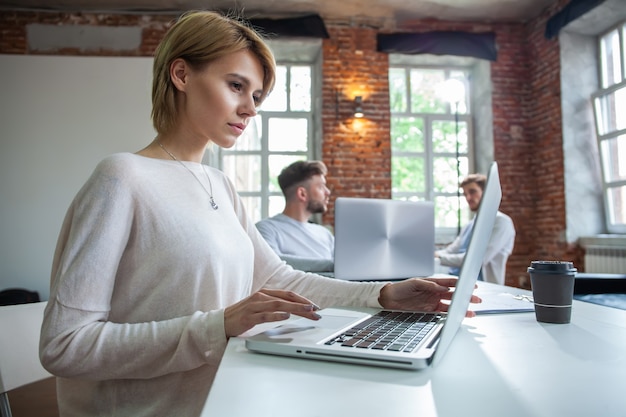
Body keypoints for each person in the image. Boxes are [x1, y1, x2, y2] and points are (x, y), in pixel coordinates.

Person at [39, 10, 481, 417]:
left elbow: (280, 280)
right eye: (236, 86)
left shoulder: (220, 184)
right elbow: (65, 346)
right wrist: (219, 326)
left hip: (228, 399)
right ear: (181, 74)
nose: (251, 108)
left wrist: (381, 294)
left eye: (256, 95)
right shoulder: (122, 177)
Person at [435, 173, 515, 285]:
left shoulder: (501, 222)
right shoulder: (470, 225)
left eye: (472, 192)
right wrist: (433, 254)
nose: (468, 198)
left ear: (486, 192)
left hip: (483, 288)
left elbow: (477, 260)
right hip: (456, 283)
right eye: (465, 194)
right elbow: (452, 249)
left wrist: (440, 257)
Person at [256, 160, 334, 272]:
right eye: (321, 187)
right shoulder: (266, 229)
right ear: (302, 194)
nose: (328, 192)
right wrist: (330, 266)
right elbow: (271, 262)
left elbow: (343, 265)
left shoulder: (325, 234)